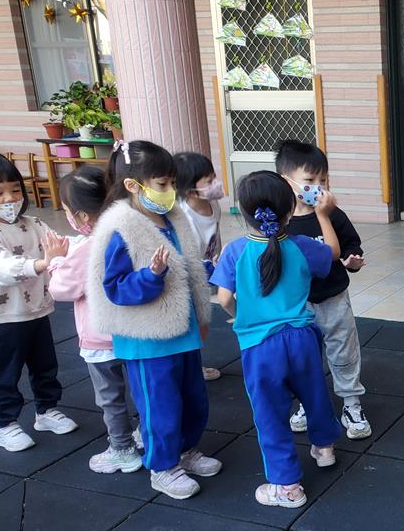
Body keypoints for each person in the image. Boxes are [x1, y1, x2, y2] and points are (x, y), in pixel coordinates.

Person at [87, 140, 220, 500]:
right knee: (159, 406)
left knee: (193, 398)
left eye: (172, 182)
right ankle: (162, 466)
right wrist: (151, 276)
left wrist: (210, 272)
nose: (170, 190)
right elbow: (114, 287)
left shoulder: (172, 217)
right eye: (162, 184)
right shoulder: (120, 228)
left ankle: (186, 450)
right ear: (133, 185)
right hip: (147, 339)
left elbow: (187, 267)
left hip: (181, 331)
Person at [211, 170, 342, 507]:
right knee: (314, 394)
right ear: (289, 211)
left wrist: (240, 316)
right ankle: (324, 447)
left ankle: (287, 487)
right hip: (302, 338)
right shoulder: (301, 246)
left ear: (243, 211)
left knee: (270, 414)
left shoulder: (235, 251)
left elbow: (224, 298)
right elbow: (332, 252)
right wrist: (323, 215)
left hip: (260, 346)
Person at [0, 152, 77, 451]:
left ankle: (46, 410)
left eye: (15, 189)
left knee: (45, 366)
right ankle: (5, 425)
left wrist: (88, 243)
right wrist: (42, 264)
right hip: (1, 318)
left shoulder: (33, 223)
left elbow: (61, 243)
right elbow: (2, 267)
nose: (9, 198)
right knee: (6, 372)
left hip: (36, 310)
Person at [275, 140, 370, 439]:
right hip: (298, 304)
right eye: (309, 180)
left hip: (334, 297)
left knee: (344, 351)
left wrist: (353, 261)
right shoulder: (280, 221)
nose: (317, 187)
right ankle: (307, 403)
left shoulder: (333, 214)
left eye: (323, 180)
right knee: (303, 357)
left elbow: (351, 246)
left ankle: (351, 404)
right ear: (286, 182)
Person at [49, 167, 141, 473]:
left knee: (111, 397)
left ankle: (122, 448)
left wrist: (55, 261)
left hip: (100, 338)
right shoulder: (131, 232)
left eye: (67, 211)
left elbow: (62, 289)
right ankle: (146, 434)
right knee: (141, 389)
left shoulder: (87, 248)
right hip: (135, 332)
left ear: (81, 216)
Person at [174, 151, 224, 381]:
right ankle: (189, 367)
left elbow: (214, 236)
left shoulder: (213, 204)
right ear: (189, 190)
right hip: (187, 275)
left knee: (202, 322)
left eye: (214, 177)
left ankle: (195, 364)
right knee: (189, 323)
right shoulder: (183, 215)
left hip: (206, 269)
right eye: (209, 181)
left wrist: (218, 259)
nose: (216, 184)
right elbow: (186, 255)